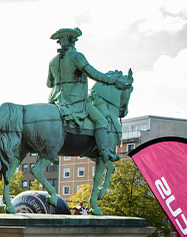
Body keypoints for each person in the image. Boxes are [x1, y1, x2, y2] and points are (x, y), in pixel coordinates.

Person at [46, 27, 130, 163]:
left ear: (60, 43)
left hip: (55, 100)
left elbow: (49, 83)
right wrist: (114, 82)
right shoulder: (76, 57)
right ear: (73, 42)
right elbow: (94, 74)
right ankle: (105, 152)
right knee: (101, 121)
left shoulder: (53, 61)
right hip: (76, 101)